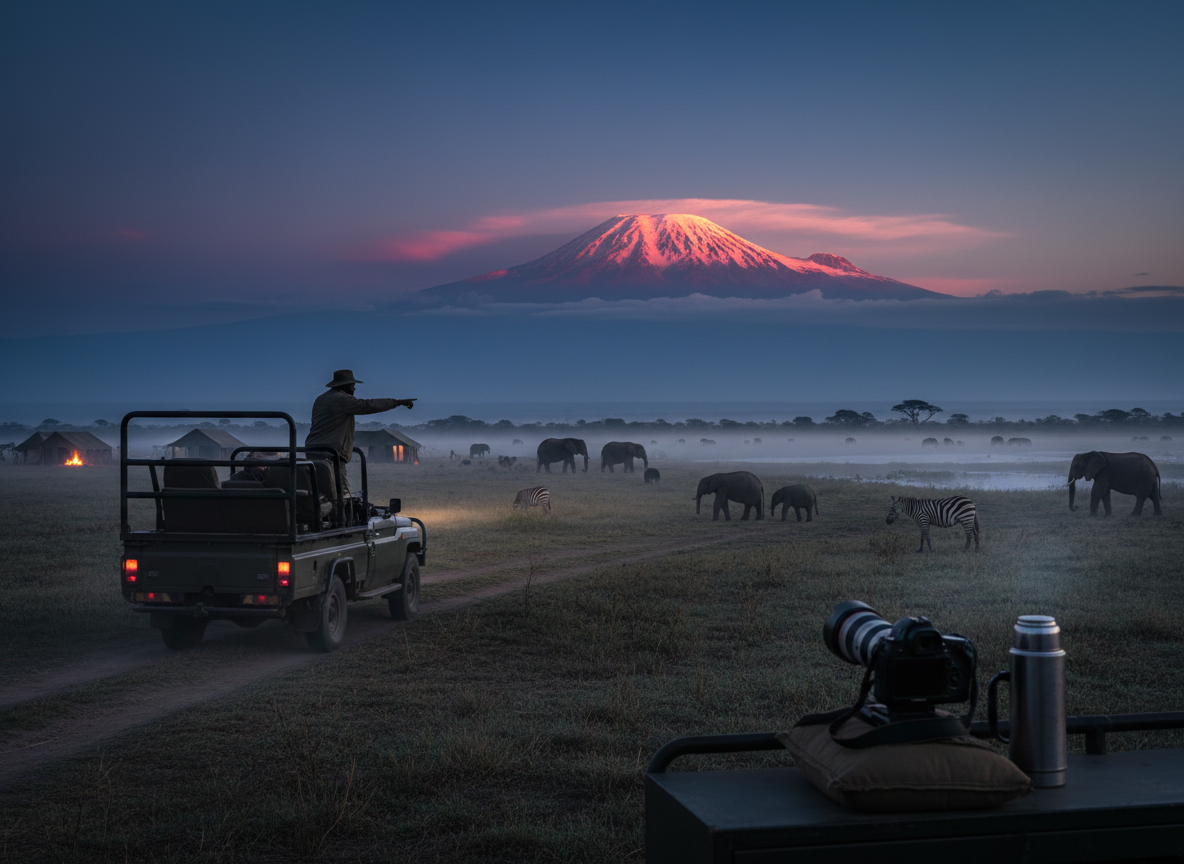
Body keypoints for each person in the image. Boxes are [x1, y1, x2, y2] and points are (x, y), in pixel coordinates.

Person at [306, 369, 416, 494]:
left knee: (320, 489)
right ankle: (342, 512)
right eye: (352, 385)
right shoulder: (342, 400)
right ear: (344, 385)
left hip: (312, 449)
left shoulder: (321, 399)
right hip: (330, 452)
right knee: (341, 492)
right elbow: (368, 405)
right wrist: (397, 402)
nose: (354, 389)